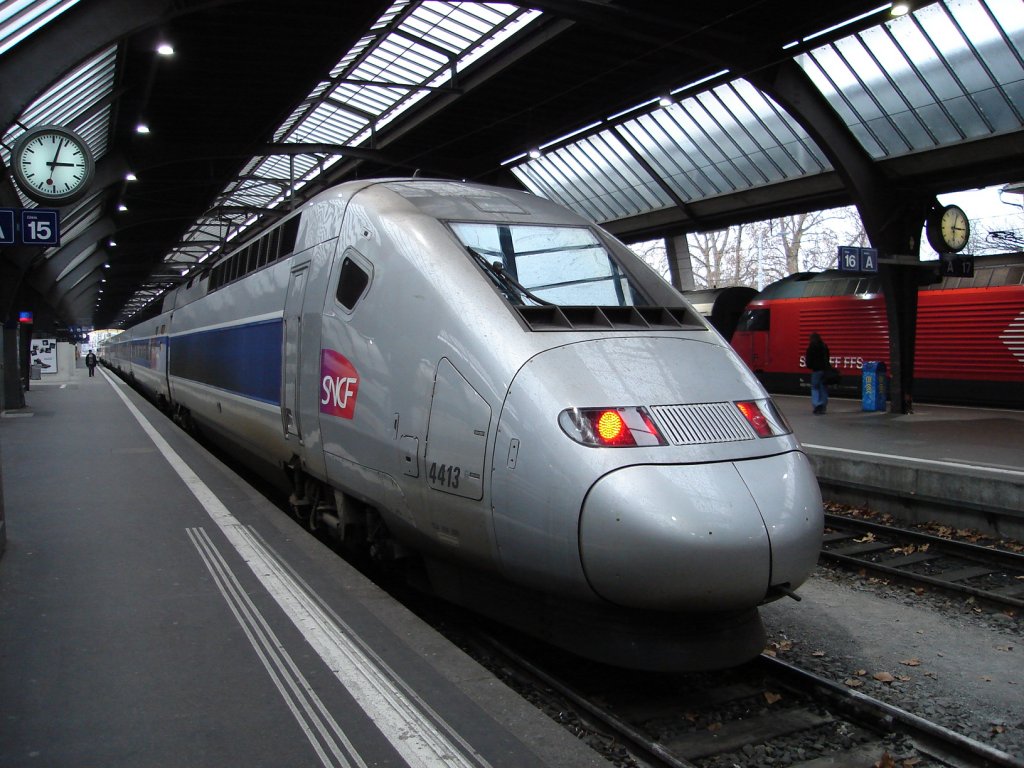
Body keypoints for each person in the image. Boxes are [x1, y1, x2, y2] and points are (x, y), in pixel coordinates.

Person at [805, 332, 829, 414]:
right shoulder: (824, 346)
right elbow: (827, 358)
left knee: (815, 388)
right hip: (824, 370)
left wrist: (810, 365)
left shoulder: (811, 347)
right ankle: (823, 406)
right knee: (823, 388)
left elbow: (809, 360)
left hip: (816, 371)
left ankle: (817, 404)